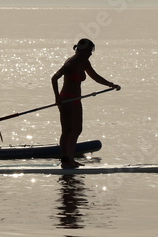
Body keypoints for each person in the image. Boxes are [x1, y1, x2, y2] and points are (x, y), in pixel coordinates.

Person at [51, 38, 120, 168]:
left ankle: (69, 159)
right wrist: (57, 98)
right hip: (66, 99)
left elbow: (95, 76)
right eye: (89, 51)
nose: (91, 53)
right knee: (68, 130)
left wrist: (110, 84)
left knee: (76, 129)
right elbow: (54, 78)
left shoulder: (85, 62)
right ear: (82, 51)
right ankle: (66, 160)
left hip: (76, 99)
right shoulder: (71, 63)